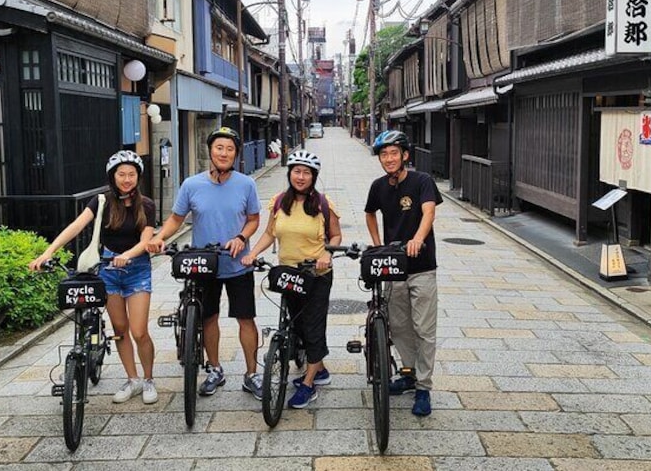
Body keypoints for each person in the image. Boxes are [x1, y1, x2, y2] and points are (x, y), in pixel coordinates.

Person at [30, 150, 158, 404]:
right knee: (120, 330)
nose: (127, 179)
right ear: (113, 177)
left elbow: (146, 240)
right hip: (108, 271)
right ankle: (132, 379)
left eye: (131, 174)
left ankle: (149, 379)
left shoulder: (147, 205)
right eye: (121, 174)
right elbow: (76, 226)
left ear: (138, 177)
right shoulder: (101, 202)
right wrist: (47, 252)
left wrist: (128, 255)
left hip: (137, 269)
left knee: (139, 330)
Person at [146, 126, 263, 398]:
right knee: (208, 318)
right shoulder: (192, 184)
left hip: (237, 264)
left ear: (235, 154)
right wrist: (159, 236)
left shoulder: (246, 184)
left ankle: (251, 373)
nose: (224, 153)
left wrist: (240, 237)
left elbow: (254, 219)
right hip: (203, 264)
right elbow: (176, 218)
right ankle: (215, 368)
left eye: (230, 148)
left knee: (246, 318)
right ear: (210, 151)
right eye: (219, 147)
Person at [242, 150, 342, 409]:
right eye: (296, 171)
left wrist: (325, 254)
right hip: (288, 274)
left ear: (314, 177)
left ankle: (308, 385)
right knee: (294, 326)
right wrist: (252, 253)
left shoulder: (322, 203)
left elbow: (336, 237)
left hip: (316, 275)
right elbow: (269, 233)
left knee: (312, 327)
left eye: (306, 172)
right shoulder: (278, 201)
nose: (300, 177)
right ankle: (318, 369)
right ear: (289, 174)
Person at [364, 130, 442, 417]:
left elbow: (429, 213)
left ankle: (424, 386)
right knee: (398, 326)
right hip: (393, 268)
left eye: (394, 153)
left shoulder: (423, 181)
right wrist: (377, 244)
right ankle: (409, 374)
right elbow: (370, 213)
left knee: (424, 328)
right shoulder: (378, 186)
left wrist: (418, 238)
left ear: (405, 155)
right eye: (384, 154)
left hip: (421, 267)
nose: (389, 158)